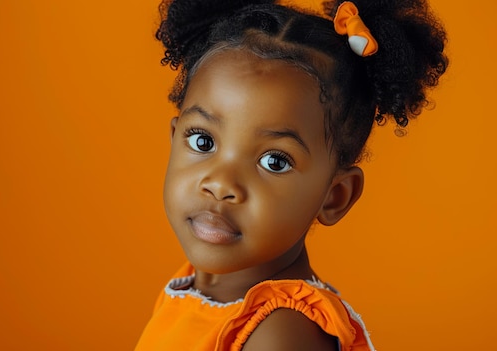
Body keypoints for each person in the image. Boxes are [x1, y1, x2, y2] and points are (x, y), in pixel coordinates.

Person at [135, 0, 448, 350]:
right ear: (174, 138)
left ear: (335, 196)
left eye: (274, 161)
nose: (221, 183)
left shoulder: (282, 334)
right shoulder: (197, 285)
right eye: (203, 141)